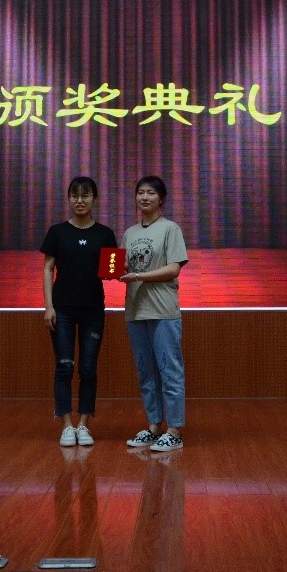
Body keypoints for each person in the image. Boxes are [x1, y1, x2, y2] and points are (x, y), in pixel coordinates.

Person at [41, 176, 118, 447]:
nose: (80, 201)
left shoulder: (105, 233)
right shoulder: (57, 232)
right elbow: (48, 268)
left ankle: (84, 425)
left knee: (88, 368)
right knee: (64, 367)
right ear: (68, 199)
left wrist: (121, 267)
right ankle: (66, 425)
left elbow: (112, 270)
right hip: (62, 310)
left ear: (94, 199)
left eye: (85, 195)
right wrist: (49, 306)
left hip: (93, 309)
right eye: (75, 195)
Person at [119, 175, 189, 452]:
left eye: (151, 193)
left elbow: (174, 268)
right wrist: (114, 270)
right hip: (136, 311)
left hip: (163, 311)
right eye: (140, 193)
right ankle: (154, 426)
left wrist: (138, 276)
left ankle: (175, 430)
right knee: (146, 372)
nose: (144, 197)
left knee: (170, 371)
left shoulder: (171, 229)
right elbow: (122, 265)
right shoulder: (130, 233)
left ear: (161, 199)